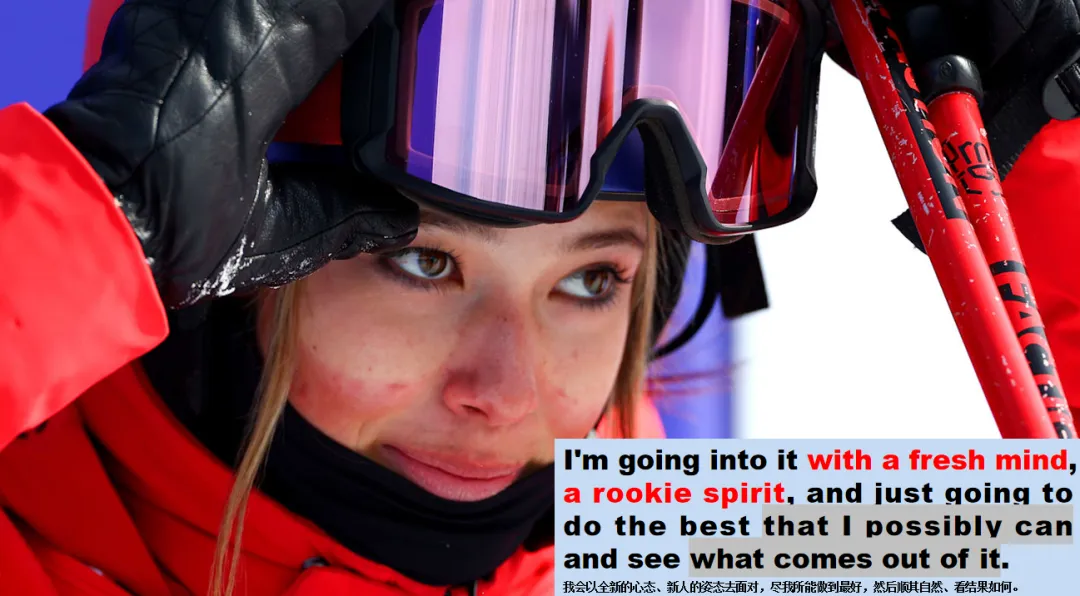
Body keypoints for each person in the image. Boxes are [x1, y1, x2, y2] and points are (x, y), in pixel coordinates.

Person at [0, 2, 1077, 596]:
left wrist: (1050, 153)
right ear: (223, 267)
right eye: (423, 264)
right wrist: (102, 216)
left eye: (590, 281)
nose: (509, 393)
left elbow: (1033, 547)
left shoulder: (689, 549)